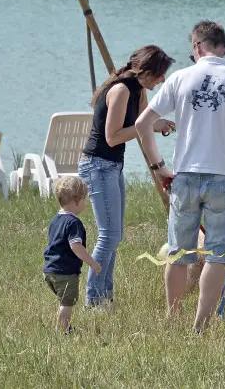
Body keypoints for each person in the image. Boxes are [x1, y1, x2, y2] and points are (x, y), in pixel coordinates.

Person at [135, 20, 225, 334]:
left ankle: (172, 319)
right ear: (223, 48)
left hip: (185, 176)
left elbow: (143, 124)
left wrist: (159, 167)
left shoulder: (180, 78)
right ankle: (201, 327)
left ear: (197, 47)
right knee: (218, 256)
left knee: (179, 252)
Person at [79, 45, 176, 310]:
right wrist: (148, 126)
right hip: (97, 164)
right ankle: (94, 301)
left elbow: (142, 132)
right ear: (146, 71)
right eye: (160, 75)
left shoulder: (139, 90)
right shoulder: (121, 90)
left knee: (115, 235)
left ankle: (105, 297)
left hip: (112, 166)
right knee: (108, 236)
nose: (163, 80)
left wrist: (161, 164)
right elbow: (113, 137)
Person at [42, 176, 101, 333]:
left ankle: (64, 326)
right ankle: (62, 330)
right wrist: (92, 263)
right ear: (77, 200)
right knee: (67, 303)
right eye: (84, 199)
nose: (85, 203)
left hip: (50, 270)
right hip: (65, 272)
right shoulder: (74, 222)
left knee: (63, 301)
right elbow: (76, 246)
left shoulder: (56, 220)